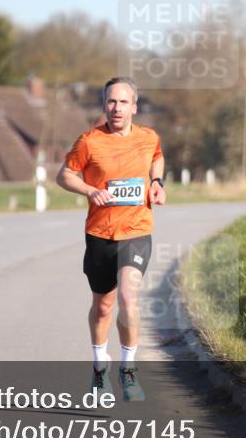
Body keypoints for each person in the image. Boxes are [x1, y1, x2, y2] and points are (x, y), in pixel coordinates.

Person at [56, 77, 166, 402]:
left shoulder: (149, 137)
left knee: (128, 298)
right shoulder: (89, 141)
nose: (116, 108)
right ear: (105, 105)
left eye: (123, 102)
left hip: (136, 230)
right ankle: (100, 366)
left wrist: (157, 181)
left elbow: (157, 156)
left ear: (134, 106)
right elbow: (64, 174)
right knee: (103, 306)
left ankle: (129, 368)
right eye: (111, 102)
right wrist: (90, 190)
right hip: (100, 234)